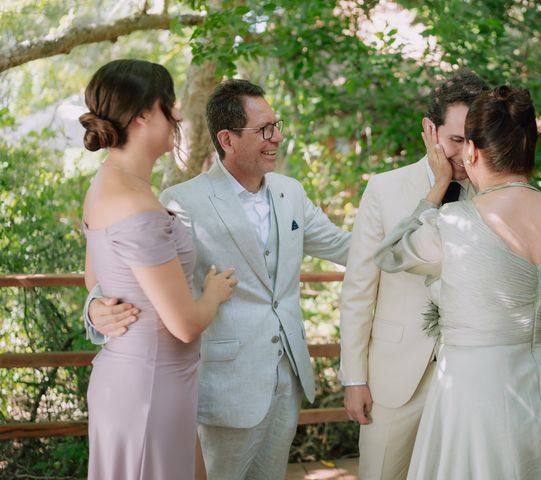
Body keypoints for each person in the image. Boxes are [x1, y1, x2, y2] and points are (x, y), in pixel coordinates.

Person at [84, 78, 351, 479]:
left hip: (286, 382)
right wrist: (95, 308)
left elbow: (349, 247)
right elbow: (134, 267)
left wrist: (428, 224)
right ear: (227, 139)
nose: (276, 137)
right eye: (264, 130)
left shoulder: (290, 193)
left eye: (276, 126)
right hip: (224, 387)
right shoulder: (181, 201)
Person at [374, 85, 541, 479]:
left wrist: (439, 185)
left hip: (480, 387)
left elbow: (392, 253)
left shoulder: (456, 223)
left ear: (472, 151)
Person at [79, 59, 237, 480]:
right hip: (149, 388)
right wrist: (213, 294)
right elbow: (185, 324)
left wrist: (95, 306)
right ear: (143, 115)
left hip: (146, 381)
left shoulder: (109, 185)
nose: (179, 115)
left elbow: (95, 278)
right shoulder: (134, 204)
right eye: (169, 105)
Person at [339, 70, 488, 479]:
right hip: (394, 377)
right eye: (456, 139)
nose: (465, 151)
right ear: (430, 130)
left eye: (474, 139)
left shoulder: (495, 195)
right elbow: (358, 290)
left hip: (470, 379)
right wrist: (354, 377)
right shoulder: (384, 189)